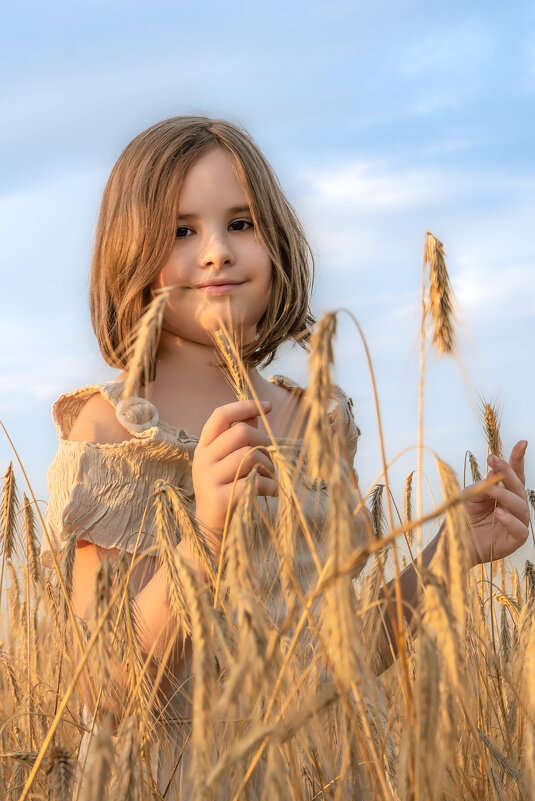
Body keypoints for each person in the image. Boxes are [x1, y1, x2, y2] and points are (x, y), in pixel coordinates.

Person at [40, 116, 530, 800]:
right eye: (182, 231)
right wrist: (206, 536)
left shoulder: (315, 427)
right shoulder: (112, 433)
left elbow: (339, 655)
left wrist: (448, 554)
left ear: (275, 239)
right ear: (129, 251)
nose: (216, 251)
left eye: (240, 222)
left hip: (310, 777)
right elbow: (110, 686)